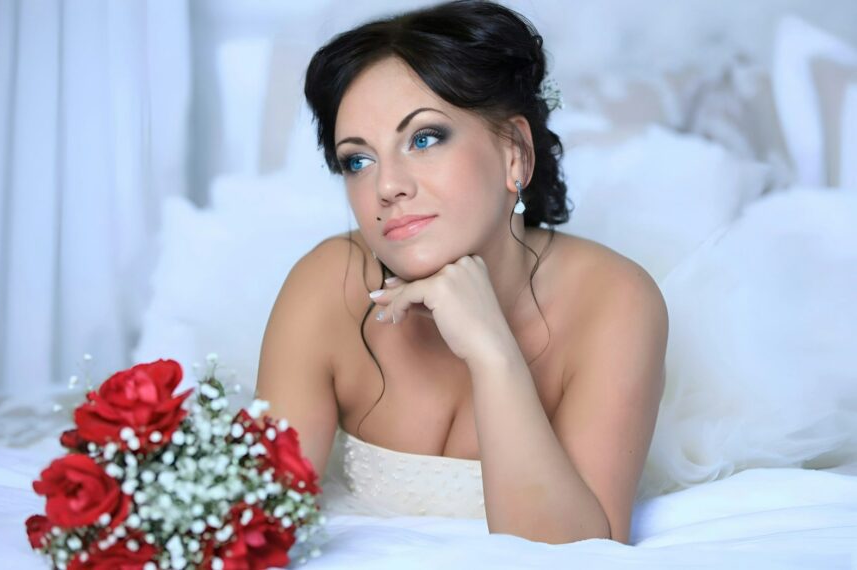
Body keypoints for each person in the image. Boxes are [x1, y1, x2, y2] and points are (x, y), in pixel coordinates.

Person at [255, 0, 668, 545]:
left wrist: (492, 352)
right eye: (359, 160)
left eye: (424, 138)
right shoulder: (326, 285)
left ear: (515, 153)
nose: (387, 186)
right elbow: (254, 525)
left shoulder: (614, 300)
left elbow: (579, 553)